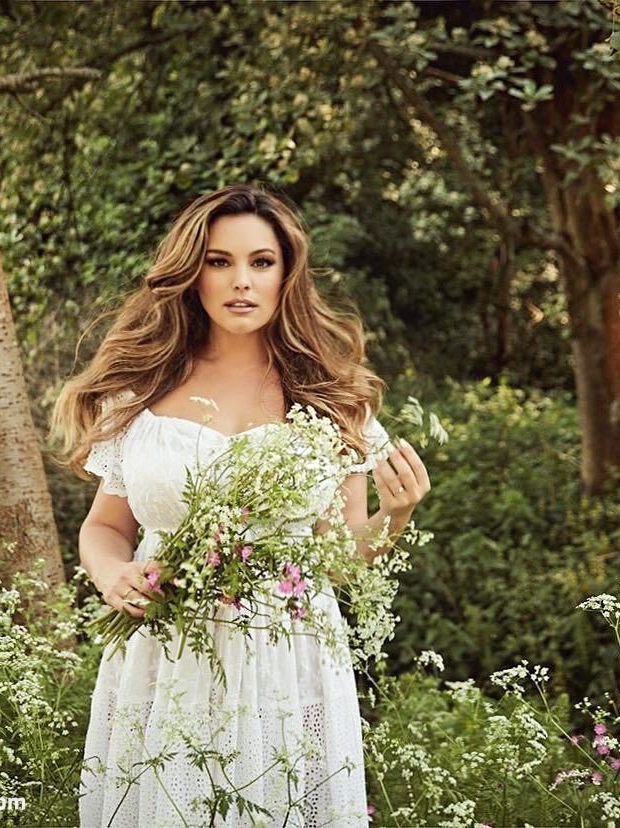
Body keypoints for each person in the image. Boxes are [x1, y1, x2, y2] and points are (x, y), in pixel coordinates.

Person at [50, 183, 430, 827]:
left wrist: (397, 514)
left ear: (287, 273)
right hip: (165, 647)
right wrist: (112, 574)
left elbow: (341, 559)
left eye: (261, 262)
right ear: (192, 273)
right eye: (219, 262)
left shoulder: (333, 397)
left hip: (288, 651)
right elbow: (106, 526)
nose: (241, 282)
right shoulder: (140, 390)